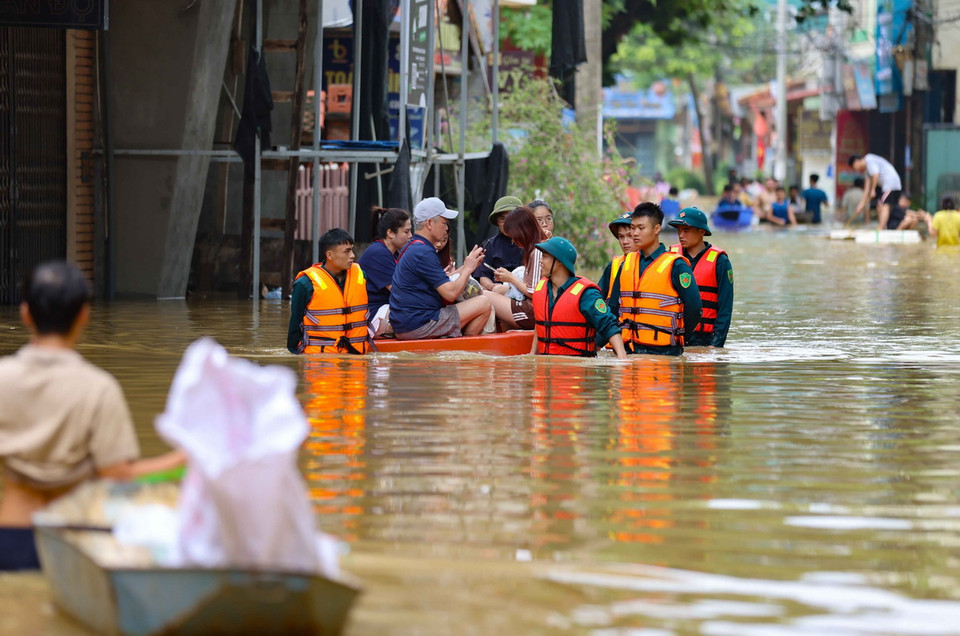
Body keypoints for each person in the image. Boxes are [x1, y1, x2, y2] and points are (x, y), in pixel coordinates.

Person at [1, 262, 185, 567]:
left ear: (25, 313)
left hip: (11, 533)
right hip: (71, 539)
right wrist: (181, 461)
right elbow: (118, 476)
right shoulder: (98, 388)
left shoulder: (3, 378)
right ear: (84, 316)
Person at [607, 202, 702, 356]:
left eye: (641, 228)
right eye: (633, 228)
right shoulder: (626, 264)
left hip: (665, 352)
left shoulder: (677, 265)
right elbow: (612, 307)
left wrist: (680, 334)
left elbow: (695, 308)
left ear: (657, 229)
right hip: (629, 351)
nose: (635, 233)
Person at [390, 197, 493, 339]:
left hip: (407, 324)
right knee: (484, 303)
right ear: (429, 223)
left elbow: (442, 282)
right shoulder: (423, 252)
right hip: (419, 325)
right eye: (444, 223)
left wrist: (468, 265)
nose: (446, 228)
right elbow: (450, 293)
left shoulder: (413, 246)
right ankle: (466, 348)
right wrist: (468, 269)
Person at [530, 237, 626, 359]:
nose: (540, 261)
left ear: (559, 261)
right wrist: (532, 355)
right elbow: (540, 324)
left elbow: (609, 326)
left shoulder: (587, 294)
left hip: (577, 366)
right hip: (547, 365)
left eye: (544, 256)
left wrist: (622, 359)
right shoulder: (541, 288)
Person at [288, 228, 371, 354]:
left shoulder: (361, 276)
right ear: (329, 255)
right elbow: (294, 329)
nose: (352, 256)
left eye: (352, 250)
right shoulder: (305, 284)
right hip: (320, 359)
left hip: (357, 355)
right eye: (347, 251)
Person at [668, 208, 734, 347]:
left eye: (686, 230)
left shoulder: (720, 261)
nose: (681, 235)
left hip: (704, 339)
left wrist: (716, 344)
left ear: (701, 232)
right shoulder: (669, 256)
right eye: (679, 231)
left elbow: (725, 307)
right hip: (672, 335)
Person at [484, 207, 545, 330]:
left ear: (523, 231)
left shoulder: (537, 251)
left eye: (514, 236)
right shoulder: (535, 249)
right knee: (492, 294)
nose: (513, 240)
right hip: (530, 307)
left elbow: (534, 293)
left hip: (532, 312)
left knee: (484, 298)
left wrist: (511, 279)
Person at [356, 207, 412, 333]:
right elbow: (400, 291)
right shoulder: (378, 253)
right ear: (390, 233)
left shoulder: (394, 253)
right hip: (373, 314)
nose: (410, 236)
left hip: (385, 308)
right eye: (406, 231)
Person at [478, 196, 524, 292]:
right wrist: (493, 287)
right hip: (497, 293)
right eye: (502, 218)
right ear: (497, 222)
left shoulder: (532, 243)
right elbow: (483, 275)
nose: (508, 223)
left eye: (512, 218)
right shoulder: (490, 245)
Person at [848, 153, 904, 230]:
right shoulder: (867, 170)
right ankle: (883, 227)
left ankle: (881, 228)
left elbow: (875, 175)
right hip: (888, 186)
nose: (855, 169)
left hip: (890, 184)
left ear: (856, 162)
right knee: (880, 205)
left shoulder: (869, 160)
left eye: (854, 167)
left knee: (883, 205)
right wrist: (861, 205)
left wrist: (873, 190)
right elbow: (866, 189)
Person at [597, 212, 638, 302]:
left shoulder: (653, 263)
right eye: (621, 237)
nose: (625, 242)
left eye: (630, 236)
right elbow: (598, 298)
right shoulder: (613, 266)